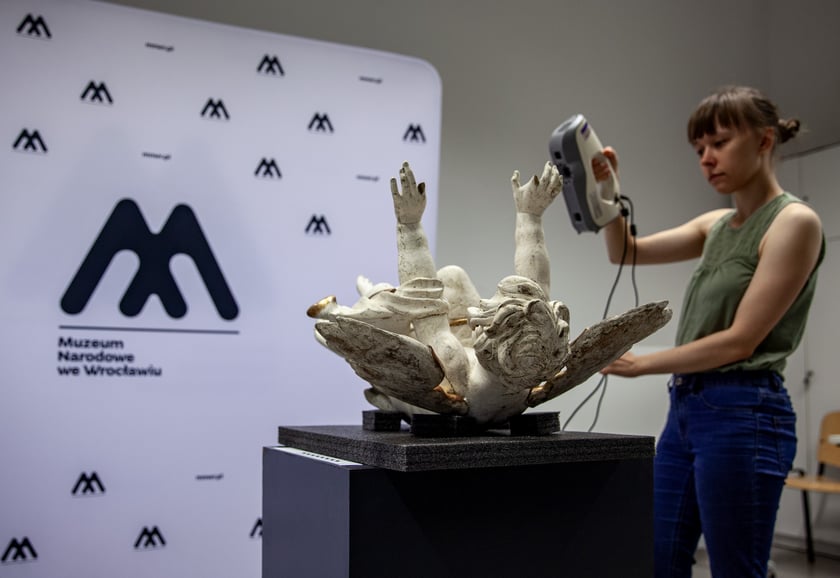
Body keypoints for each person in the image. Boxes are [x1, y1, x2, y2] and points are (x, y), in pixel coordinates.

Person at [595, 85, 825, 577]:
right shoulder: (717, 224)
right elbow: (624, 252)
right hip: (687, 408)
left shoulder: (794, 222)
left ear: (764, 140)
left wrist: (642, 363)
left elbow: (742, 340)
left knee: (736, 569)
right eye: (699, 148)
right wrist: (610, 194)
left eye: (719, 143)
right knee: (657, 560)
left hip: (746, 412)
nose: (706, 158)